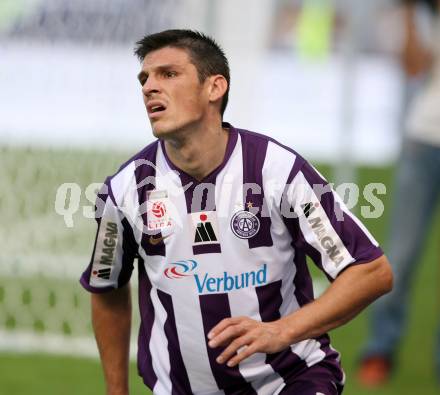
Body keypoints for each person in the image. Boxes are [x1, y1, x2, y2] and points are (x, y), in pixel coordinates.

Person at [80, 29, 393, 395]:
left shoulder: (278, 170)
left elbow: (370, 271)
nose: (149, 86)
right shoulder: (124, 189)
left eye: (168, 74)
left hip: (291, 380)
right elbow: (105, 287)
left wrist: (281, 331)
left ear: (215, 88)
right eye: (144, 78)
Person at [357, 0, 440, 387]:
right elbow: (412, 67)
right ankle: (380, 349)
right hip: (424, 141)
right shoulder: (427, 18)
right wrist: (410, 13)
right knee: (400, 257)